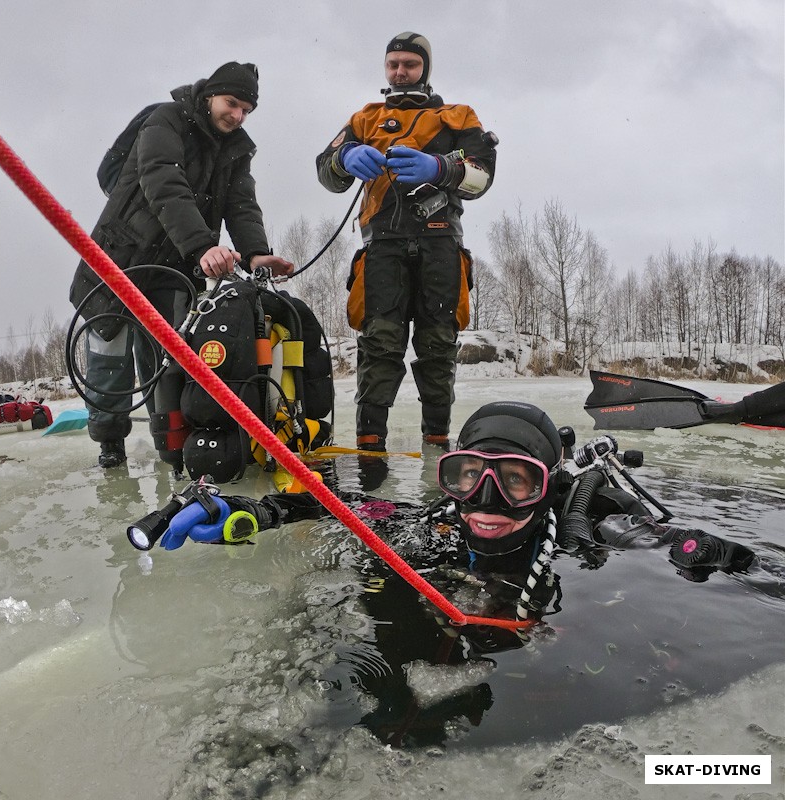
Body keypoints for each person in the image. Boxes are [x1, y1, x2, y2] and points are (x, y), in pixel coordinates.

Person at [130, 401, 757, 616]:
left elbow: (645, 539)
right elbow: (341, 506)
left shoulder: (586, 532)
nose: (487, 503)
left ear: (548, 488)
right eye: (468, 477)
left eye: (516, 483)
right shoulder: (440, 524)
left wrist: (700, 550)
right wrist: (254, 512)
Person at [69, 62, 294, 468]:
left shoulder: (238, 148)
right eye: (232, 103)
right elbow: (163, 181)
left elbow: (241, 204)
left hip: (174, 271)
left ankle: (169, 447)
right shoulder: (165, 120)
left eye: (247, 109)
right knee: (110, 359)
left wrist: (257, 252)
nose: (238, 115)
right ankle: (110, 446)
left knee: (166, 364)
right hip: (120, 260)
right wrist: (203, 246)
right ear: (210, 95)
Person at [316, 32, 498, 452]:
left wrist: (440, 167)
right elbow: (325, 172)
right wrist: (344, 159)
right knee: (378, 346)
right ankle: (369, 446)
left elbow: (483, 175)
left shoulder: (459, 116)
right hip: (381, 247)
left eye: (410, 64)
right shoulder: (365, 118)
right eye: (393, 64)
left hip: (440, 245)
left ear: (425, 68)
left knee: (437, 347)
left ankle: (437, 444)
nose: (400, 71)